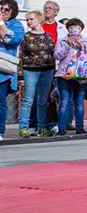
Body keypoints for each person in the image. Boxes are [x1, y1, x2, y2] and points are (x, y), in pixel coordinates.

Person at [53, 18, 87, 135]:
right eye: (71, 28)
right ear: (68, 29)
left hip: (81, 75)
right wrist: (68, 46)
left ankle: (80, 128)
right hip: (64, 74)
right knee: (64, 102)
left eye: (77, 28)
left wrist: (81, 46)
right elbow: (57, 55)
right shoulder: (62, 41)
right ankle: (62, 128)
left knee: (79, 102)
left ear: (81, 29)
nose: (74, 30)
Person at [18, 10, 55, 138]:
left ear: (39, 20)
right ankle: (23, 128)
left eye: (31, 19)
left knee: (42, 101)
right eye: (27, 20)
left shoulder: (48, 36)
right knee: (28, 100)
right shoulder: (26, 36)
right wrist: (21, 75)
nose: (28, 22)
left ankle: (42, 128)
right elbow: (21, 56)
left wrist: (53, 73)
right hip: (30, 71)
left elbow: (52, 55)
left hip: (47, 71)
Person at [0, 0, 25, 140]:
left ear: (13, 11)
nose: (3, 11)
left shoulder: (17, 26)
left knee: (0, 101)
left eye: (6, 9)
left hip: (3, 70)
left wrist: (1, 23)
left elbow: (11, 40)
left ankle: (0, 131)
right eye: (0, 8)